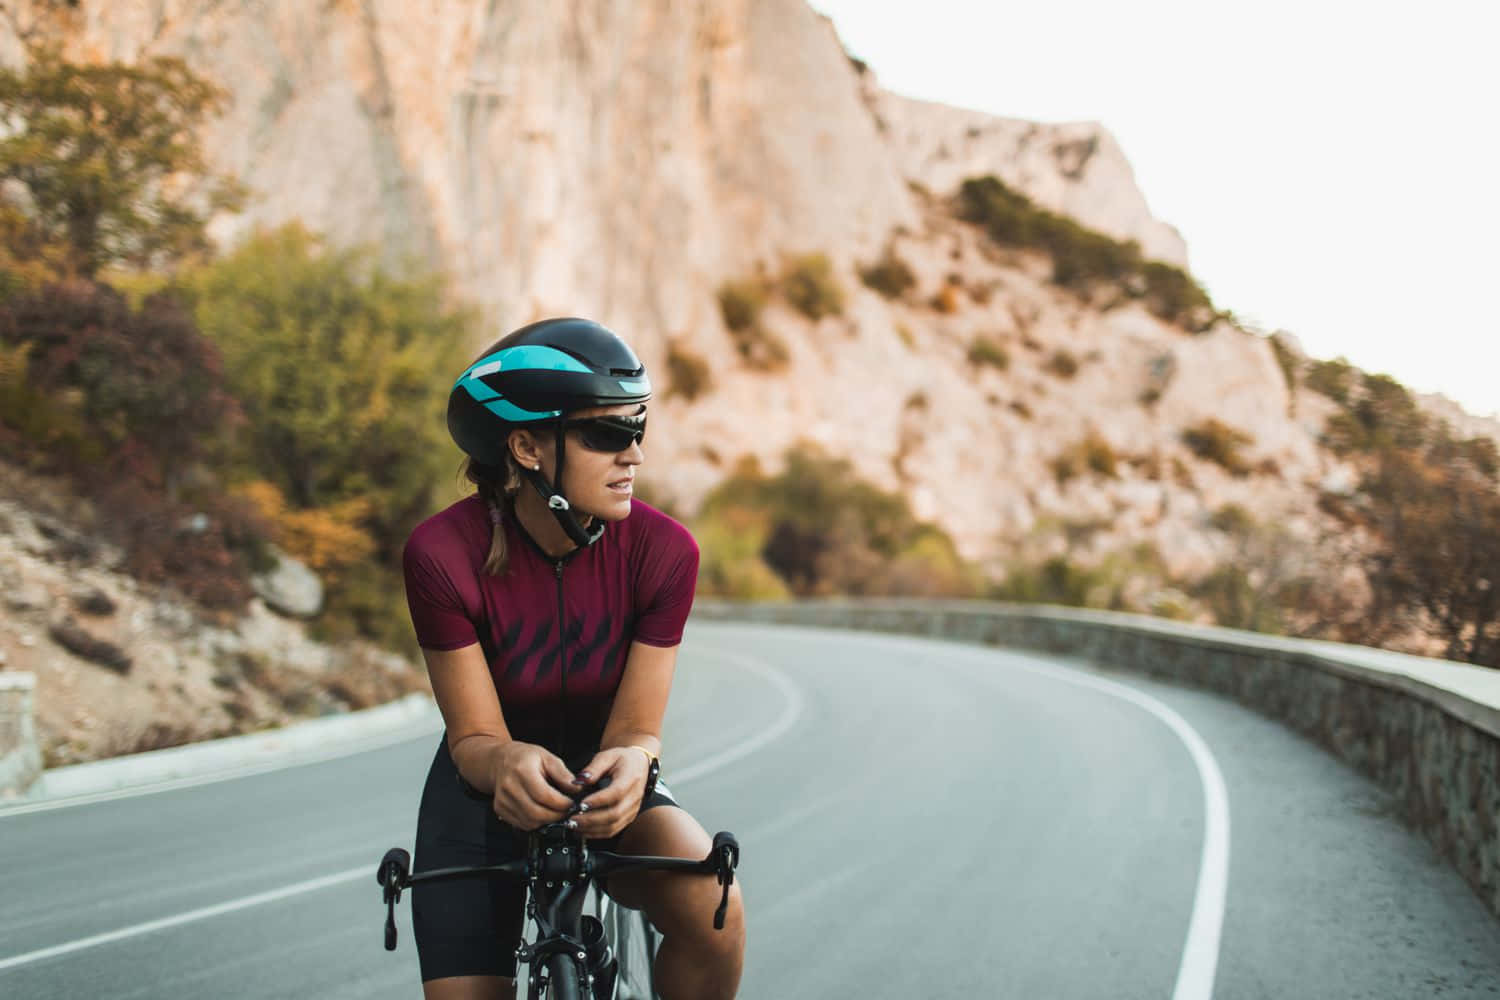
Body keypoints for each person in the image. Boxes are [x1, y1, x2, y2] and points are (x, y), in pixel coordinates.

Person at [401, 317, 745, 1000]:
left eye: (638, 429)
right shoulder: (441, 555)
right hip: (482, 794)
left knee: (716, 907)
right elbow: (474, 739)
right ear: (527, 446)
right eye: (606, 435)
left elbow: (636, 731)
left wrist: (636, 761)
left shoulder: (665, 553)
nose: (634, 456)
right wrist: (505, 762)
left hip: (608, 777)